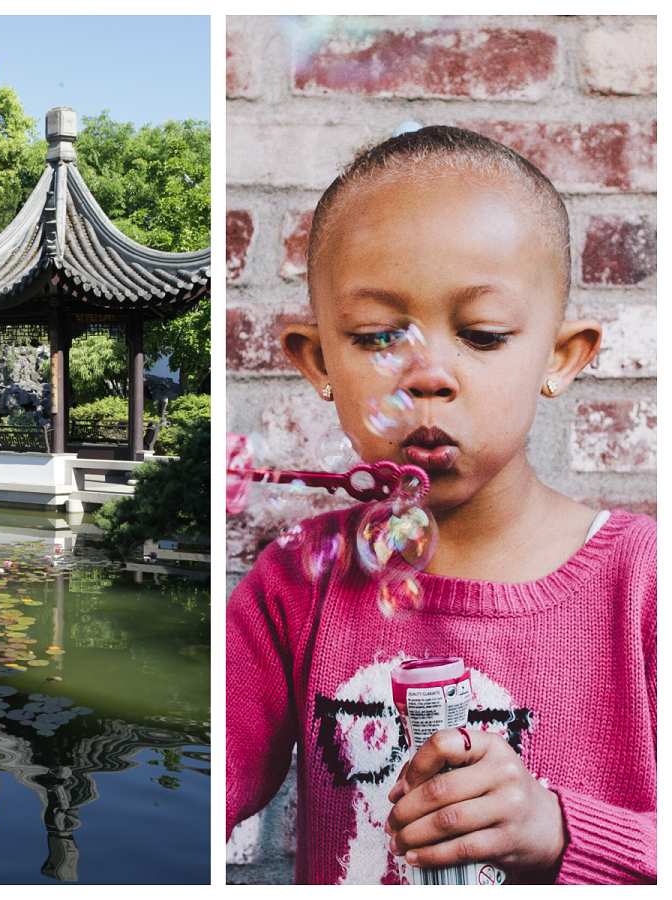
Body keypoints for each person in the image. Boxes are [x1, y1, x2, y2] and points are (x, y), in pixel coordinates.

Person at [226, 126, 655, 883]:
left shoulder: (647, 584)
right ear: (319, 361)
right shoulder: (294, 584)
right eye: (377, 335)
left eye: (482, 335)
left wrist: (561, 830)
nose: (428, 376)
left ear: (561, 358)